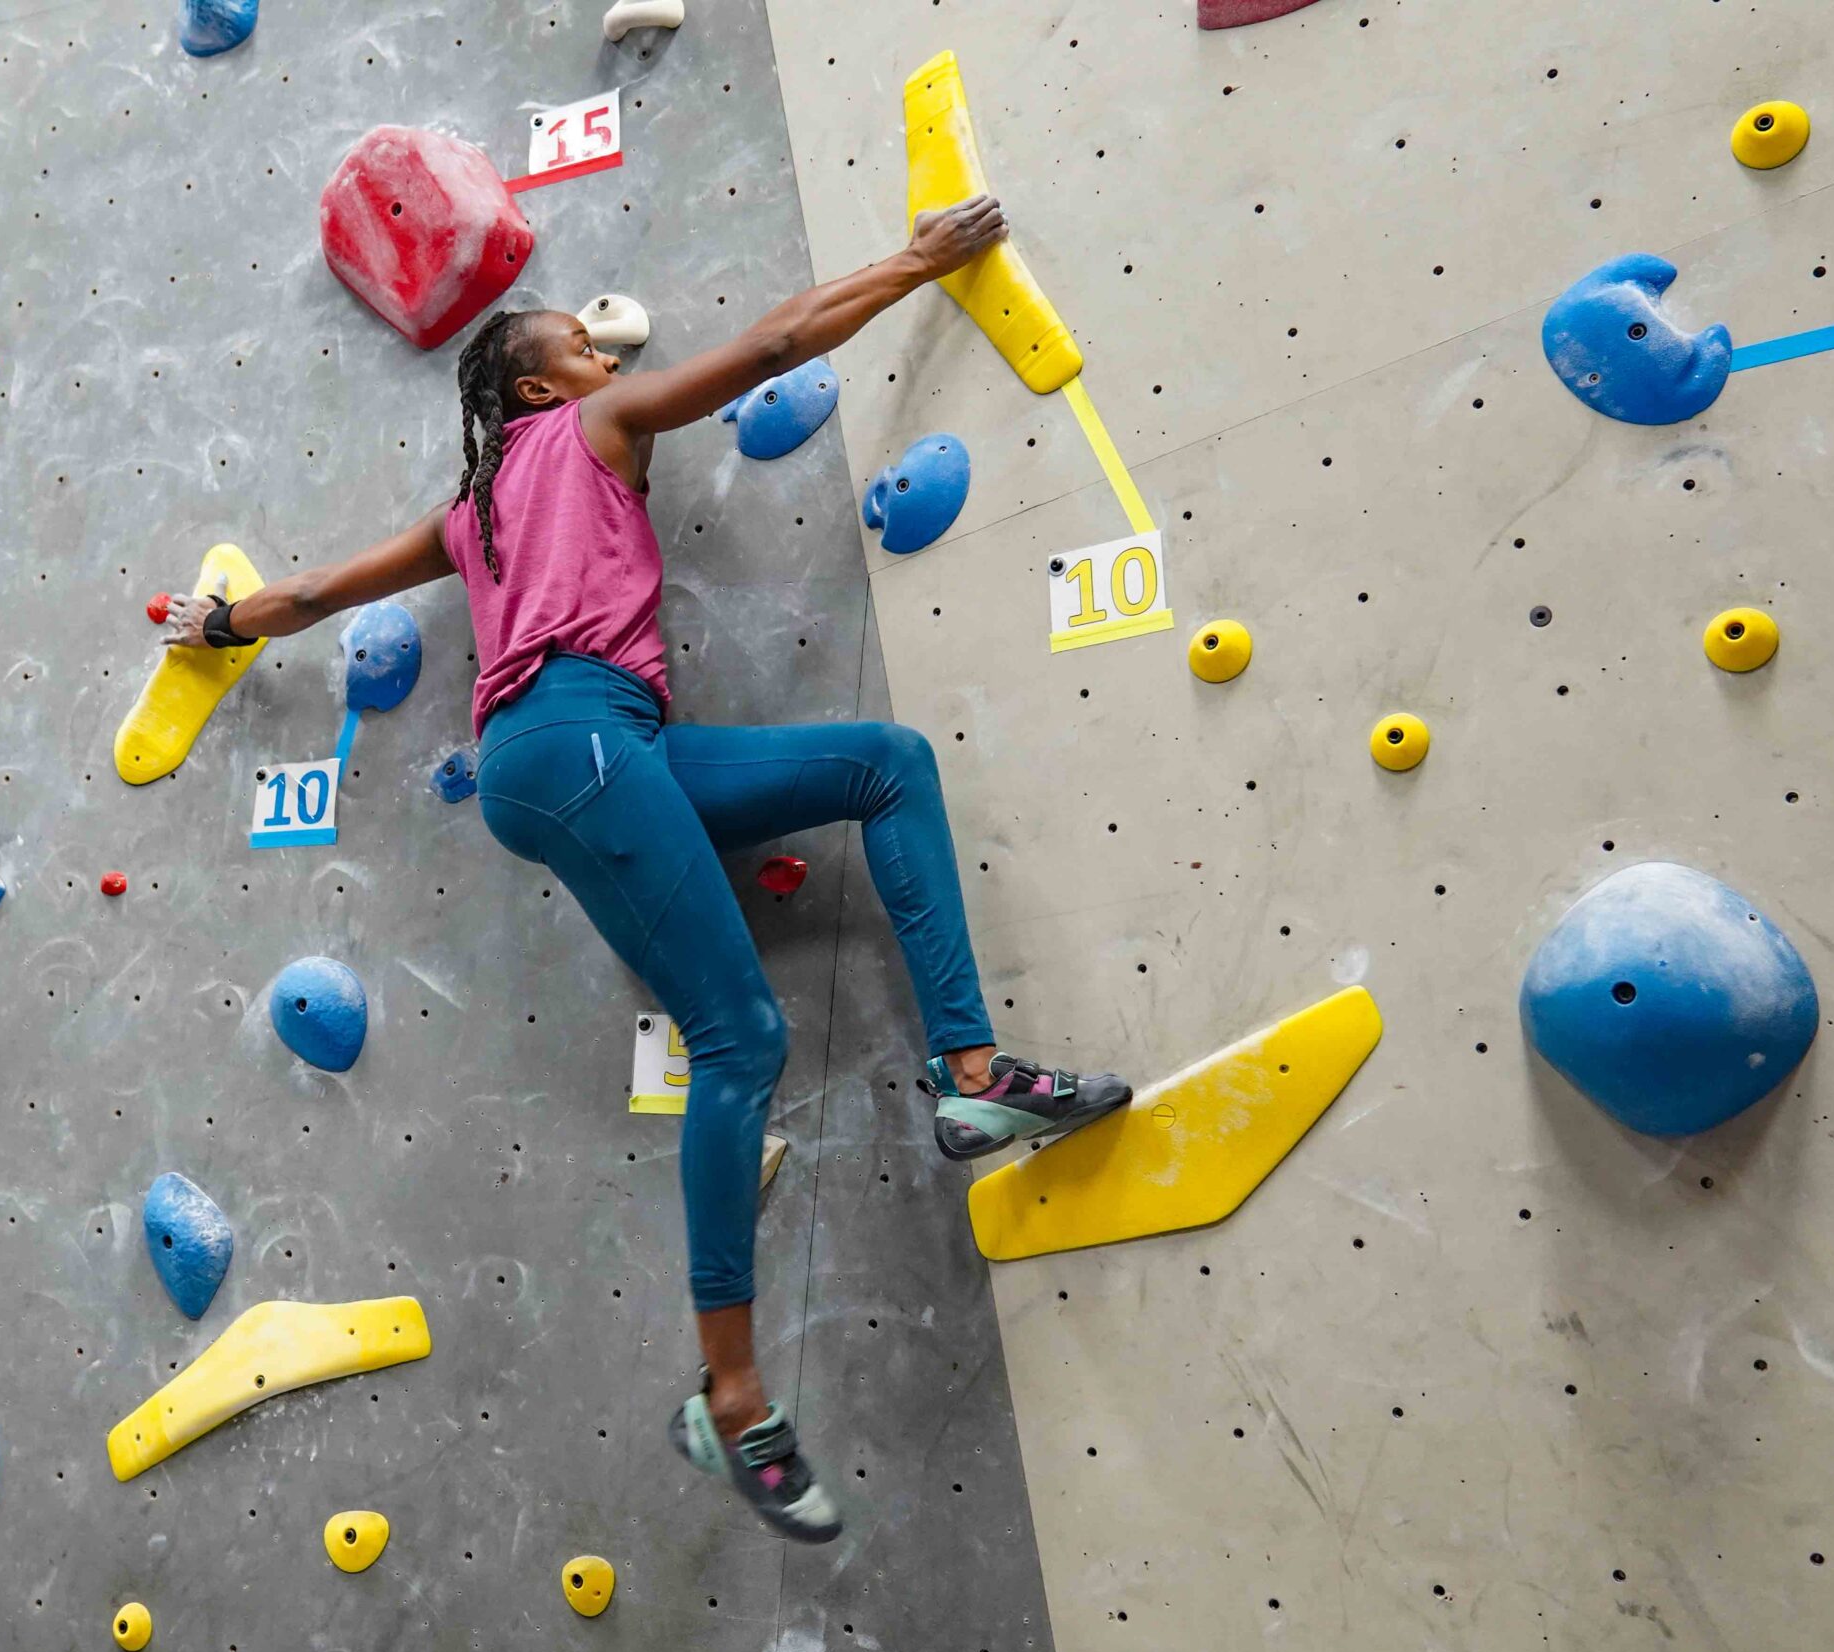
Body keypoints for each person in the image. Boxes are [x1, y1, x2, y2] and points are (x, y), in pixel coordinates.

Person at [158, 195, 1132, 1544]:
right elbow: (776, 339)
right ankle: (732, 1397)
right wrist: (921, 257)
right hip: (580, 741)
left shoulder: (469, 515)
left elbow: (315, 594)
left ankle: (972, 1082)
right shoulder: (592, 428)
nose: (612, 360)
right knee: (739, 1042)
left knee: (885, 763)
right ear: (542, 384)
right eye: (585, 347)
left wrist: (215, 623)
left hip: (591, 749)